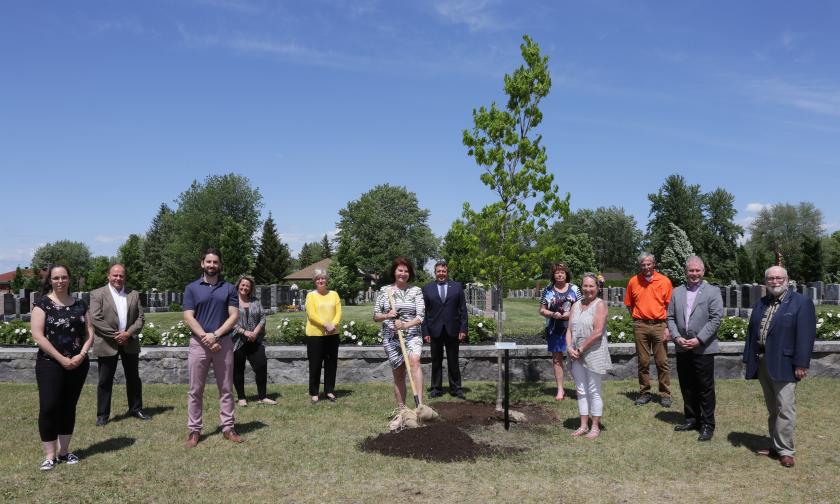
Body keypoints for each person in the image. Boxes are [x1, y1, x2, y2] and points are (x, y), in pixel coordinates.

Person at [743, 266, 816, 468]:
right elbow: (752, 332)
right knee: (773, 408)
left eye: (779, 278)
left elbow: (806, 335)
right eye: (771, 278)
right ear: (766, 281)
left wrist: (801, 363)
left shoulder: (801, 303)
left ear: (787, 280)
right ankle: (775, 445)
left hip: (786, 363)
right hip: (764, 361)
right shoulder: (762, 303)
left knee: (785, 407)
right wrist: (749, 358)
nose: (775, 281)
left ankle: (786, 451)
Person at [30, 264, 94, 471]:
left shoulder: (81, 305)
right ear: (50, 280)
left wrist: (81, 354)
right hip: (50, 364)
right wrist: (62, 359)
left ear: (69, 279)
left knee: (68, 407)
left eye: (64, 277)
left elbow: (90, 333)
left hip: (78, 364)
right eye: (56, 278)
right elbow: (38, 336)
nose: (60, 281)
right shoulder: (42, 304)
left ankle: (64, 452)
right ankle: (50, 455)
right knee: (49, 407)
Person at [182, 248, 242, 447]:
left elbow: (234, 316)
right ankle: (194, 430)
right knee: (195, 390)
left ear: (220, 265)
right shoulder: (192, 288)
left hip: (223, 343)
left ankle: (228, 427)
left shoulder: (229, 289)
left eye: (215, 262)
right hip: (198, 344)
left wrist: (215, 335)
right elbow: (188, 316)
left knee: (226, 388)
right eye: (208, 262)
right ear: (202, 264)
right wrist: (205, 337)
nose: (212, 265)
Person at [666, 256, 723, 441]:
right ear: (686, 271)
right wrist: (676, 337)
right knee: (687, 386)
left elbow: (716, 319)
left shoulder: (713, 291)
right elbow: (671, 318)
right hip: (683, 347)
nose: (694, 274)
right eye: (691, 270)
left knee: (704, 387)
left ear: (703, 271)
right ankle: (691, 418)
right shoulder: (677, 292)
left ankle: (707, 424)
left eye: (697, 270)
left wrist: (699, 339)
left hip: (703, 348)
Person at [89, 264, 148, 426]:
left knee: (134, 378)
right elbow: (95, 318)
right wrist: (116, 336)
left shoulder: (134, 294)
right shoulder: (97, 294)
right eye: (115, 275)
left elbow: (140, 318)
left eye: (121, 275)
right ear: (108, 276)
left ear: (125, 277)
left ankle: (136, 408)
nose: (118, 278)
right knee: (105, 380)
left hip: (129, 342)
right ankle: (102, 415)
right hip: (108, 343)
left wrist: (127, 334)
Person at [374, 257, 425, 430]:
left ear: (409, 273)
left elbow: (420, 316)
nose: (403, 273)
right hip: (391, 337)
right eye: (400, 270)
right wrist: (387, 315)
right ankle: (402, 412)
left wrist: (405, 325)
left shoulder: (416, 291)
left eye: (406, 271)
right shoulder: (384, 291)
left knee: (415, 362)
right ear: (394, 272)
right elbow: (376, 316)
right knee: (398, 372)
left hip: (412, 335)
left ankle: (420, 408)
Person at [566, 273, 612, 439]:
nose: (588, 289)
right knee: (581, 390)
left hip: (593, 353)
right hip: (575, 353)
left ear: (597, 288)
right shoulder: (576, 305)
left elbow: (598, 331)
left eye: (591, 286)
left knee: (594, 390)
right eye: (585, 286)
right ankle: (583, 425)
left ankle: (595, 426)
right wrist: (570, 347)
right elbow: (570, 329)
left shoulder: (600, 305)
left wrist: (580, 349)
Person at [624, 252, 673, 407]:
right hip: (641, 325)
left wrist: (667, 327)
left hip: (659, 325)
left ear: (654, 264)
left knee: (662, 361)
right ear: (640, 266)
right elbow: (629, 304)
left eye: (648, 264)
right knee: (643, 362)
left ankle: (665, 393)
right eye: (643, 264)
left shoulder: (664, 281)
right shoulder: (633, 281)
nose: (646, 267)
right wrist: (637, 319)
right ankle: (645, 392)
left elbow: (669, 306)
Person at [422, 260, 468, 399]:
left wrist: (463, 329)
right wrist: (425, 332)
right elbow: (424, 312)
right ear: (435, 273)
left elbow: (463, 310)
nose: (441, 273)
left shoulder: (457, 287)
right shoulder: (427, 288)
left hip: (453, 329)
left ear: (447, 272)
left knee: (453, 361)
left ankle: (456, 389)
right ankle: (436, 388)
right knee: (436, 361)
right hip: (434, 329)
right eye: (439, 271)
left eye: (444, 271)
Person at [538, 263, 581, 401]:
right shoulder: (547, 290)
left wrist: (571, 314)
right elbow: (542, 310)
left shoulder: (575, 289)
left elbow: (582, 307)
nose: (560, 274)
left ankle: (579, 388)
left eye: (562, 272)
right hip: (554, 329)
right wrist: (552, 314)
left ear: (566, 274)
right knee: (557, 360)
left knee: (575, 358)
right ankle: (560, 390)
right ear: (553, 274)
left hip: (573, 329)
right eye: (557, 272)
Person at [232, 275, 274, 407]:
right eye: (242, 285)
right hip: (237, 341)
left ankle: (263, 396)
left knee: (261, 365)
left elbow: (262, 317)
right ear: (238, 285)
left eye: (247, 286)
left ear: (251, 288)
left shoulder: (255, 300)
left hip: (255, 340)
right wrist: (244, 332)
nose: (244, 287)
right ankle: (241, 398)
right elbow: (229, 320)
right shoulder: (231, 301)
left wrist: (255, 332)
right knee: (238, 369)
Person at [304, 269, 342, 404]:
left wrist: (333, 325)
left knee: (331, 363)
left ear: (327, 280)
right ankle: (314, 392)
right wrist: (325, 325)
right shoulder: (311, 296)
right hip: (315, 334)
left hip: (333, 333)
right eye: (318, 279)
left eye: (323, 278)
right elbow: (311, 315)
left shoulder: (334, 294)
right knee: (315, 364)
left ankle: (329, 390)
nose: (321, 281)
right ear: (315, 281)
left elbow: (338, 312)